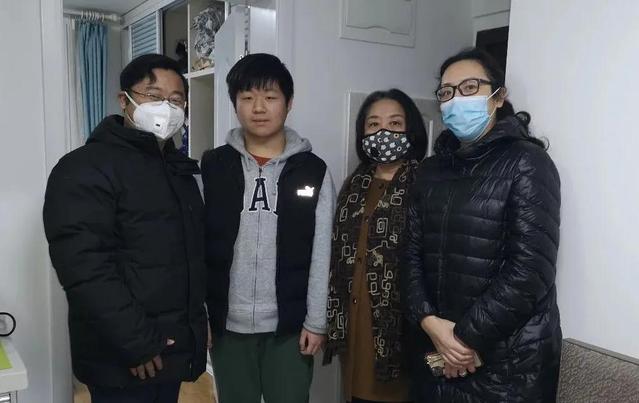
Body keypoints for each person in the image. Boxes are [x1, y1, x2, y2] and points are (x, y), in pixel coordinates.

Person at [43, 54, 209, 403]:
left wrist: (197, 326)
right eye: (154, 95)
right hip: (123, 356)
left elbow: (189, 260)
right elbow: (85, 268)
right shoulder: (85, 168)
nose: (166, 107)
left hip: (169, 348)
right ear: (124, 100)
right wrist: (137, 342)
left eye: (175, 100)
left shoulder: (179, 171)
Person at [401, 47, 562, 403]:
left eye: (470, 87)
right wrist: (429, 323)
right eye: (447, 92)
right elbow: (409, 256)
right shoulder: (430, 171)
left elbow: (530, 271)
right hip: (437, 351)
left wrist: (463, 340)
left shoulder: (527, 162)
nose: (457, 99)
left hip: (507, 364)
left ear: (498, 96)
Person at [201, 53, 336, 403]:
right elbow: (195, 248)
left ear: (288, 103)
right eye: (247, 97)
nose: (258, 107)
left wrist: (316, 321)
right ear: (235, 104)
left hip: (289, 327)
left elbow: (323, 252)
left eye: (270, 97)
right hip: (226, 325)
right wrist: (199, 314)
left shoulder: (313, 171)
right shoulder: (212, 167)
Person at [323, 89, 427, 403]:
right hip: (354, 323)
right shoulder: (354, 184)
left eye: (395, 124)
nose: (383, 132)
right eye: (373, 124)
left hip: (400, 330)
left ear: (411, 131)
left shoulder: (427, 184)